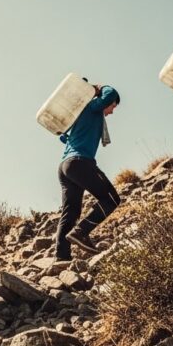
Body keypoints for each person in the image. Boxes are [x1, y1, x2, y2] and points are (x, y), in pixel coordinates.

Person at [55, 84, 121, 260]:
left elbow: (64, 137)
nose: (112, 111)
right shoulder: (92, 108)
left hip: (65, 166)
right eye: (113, 106)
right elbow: (111, 93)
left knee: (70, 213)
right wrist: (101, 88)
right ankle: (81, 232)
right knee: (112, 199)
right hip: (80, 162)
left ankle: (61, 257)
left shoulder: (79, 115)